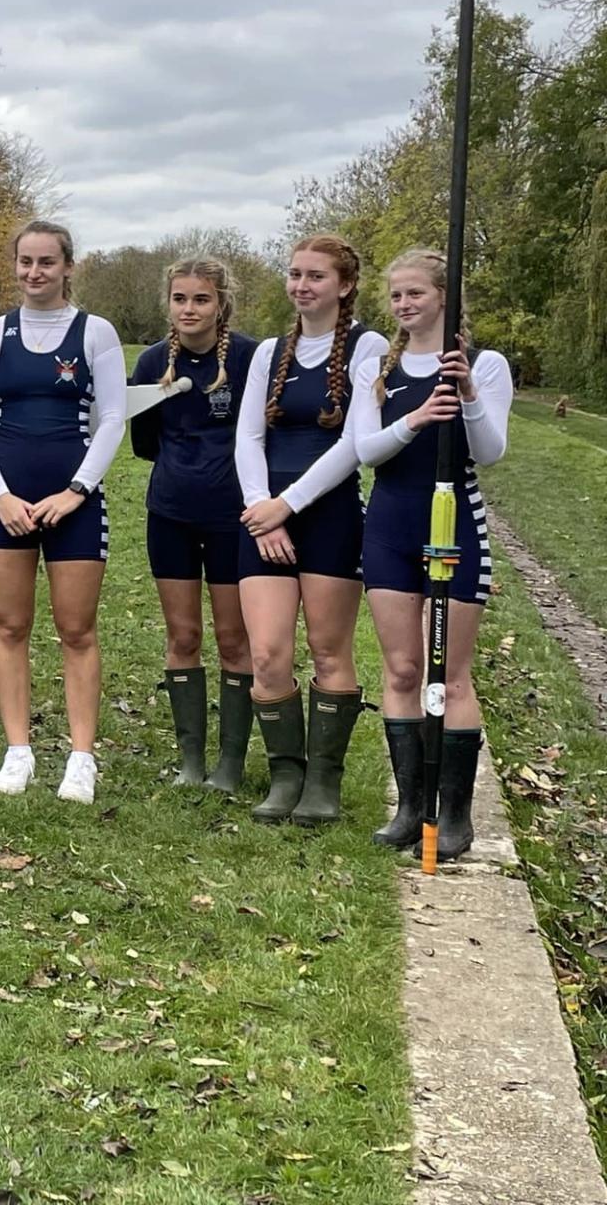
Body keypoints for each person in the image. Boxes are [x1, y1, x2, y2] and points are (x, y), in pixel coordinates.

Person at [0, 220, 126, 803]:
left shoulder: (96, 333)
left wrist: (76, 491)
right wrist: (1, 495)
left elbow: (112, 420)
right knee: (10, 627)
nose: (35, 273)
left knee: (76, 630)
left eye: (47, 263)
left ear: (68, 267)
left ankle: (81, 758)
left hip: (72, 502)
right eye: (25, 262)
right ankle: (18, 751)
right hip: (5, 500)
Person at [355, 249, 511, 859]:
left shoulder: (484, 363)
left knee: (447, 673)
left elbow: (491, 450)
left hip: (454, 524)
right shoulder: (380, 363)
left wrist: (468, 392)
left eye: (415, 293)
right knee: (400, 670)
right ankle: (410, 807)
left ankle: (456, 816)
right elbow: (368, 449)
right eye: (395, 295)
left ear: (444, 296)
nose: (403, 305)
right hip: (390, 523)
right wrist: (416, 418)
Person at [234, 234, 388, 826]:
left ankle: (323, 782)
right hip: (263, 519)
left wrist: (290, 505)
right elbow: (248, 437)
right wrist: (260, 508)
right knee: (268, 651)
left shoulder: (368, 346)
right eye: (295, 274)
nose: (302, 285)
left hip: (329, 516)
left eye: (316, 276)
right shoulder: (269, 351)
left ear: (345, 285)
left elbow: (357, 440)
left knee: (329, 650)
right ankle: (285, 774)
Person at [129, 258, 259, 789]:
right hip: (171, 516)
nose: (189, 309)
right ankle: (191, 761)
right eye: (180, 299)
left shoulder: (252, 359)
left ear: (221, 303)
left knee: (233, 639)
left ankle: (229, 763)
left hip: (234, 519)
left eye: (201, 299)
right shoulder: (151, 363)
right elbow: (142, 444)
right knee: (183, 635)